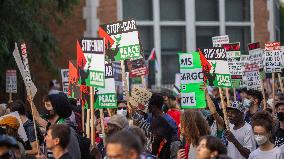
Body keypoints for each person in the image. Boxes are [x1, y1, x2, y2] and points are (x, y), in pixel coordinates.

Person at [31, 93, 81, 159]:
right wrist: (31, 101)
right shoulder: (54, 126)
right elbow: (37, 117)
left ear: (57, 109)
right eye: (44, 105)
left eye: (48, 105)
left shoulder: (66, 131)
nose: (45, 108)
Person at [148, 93, 179, 159]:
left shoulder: (164, 121)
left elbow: (156, 144)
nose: (147, 107)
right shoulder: (152, 117)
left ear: (153, 107)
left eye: (149, 105)